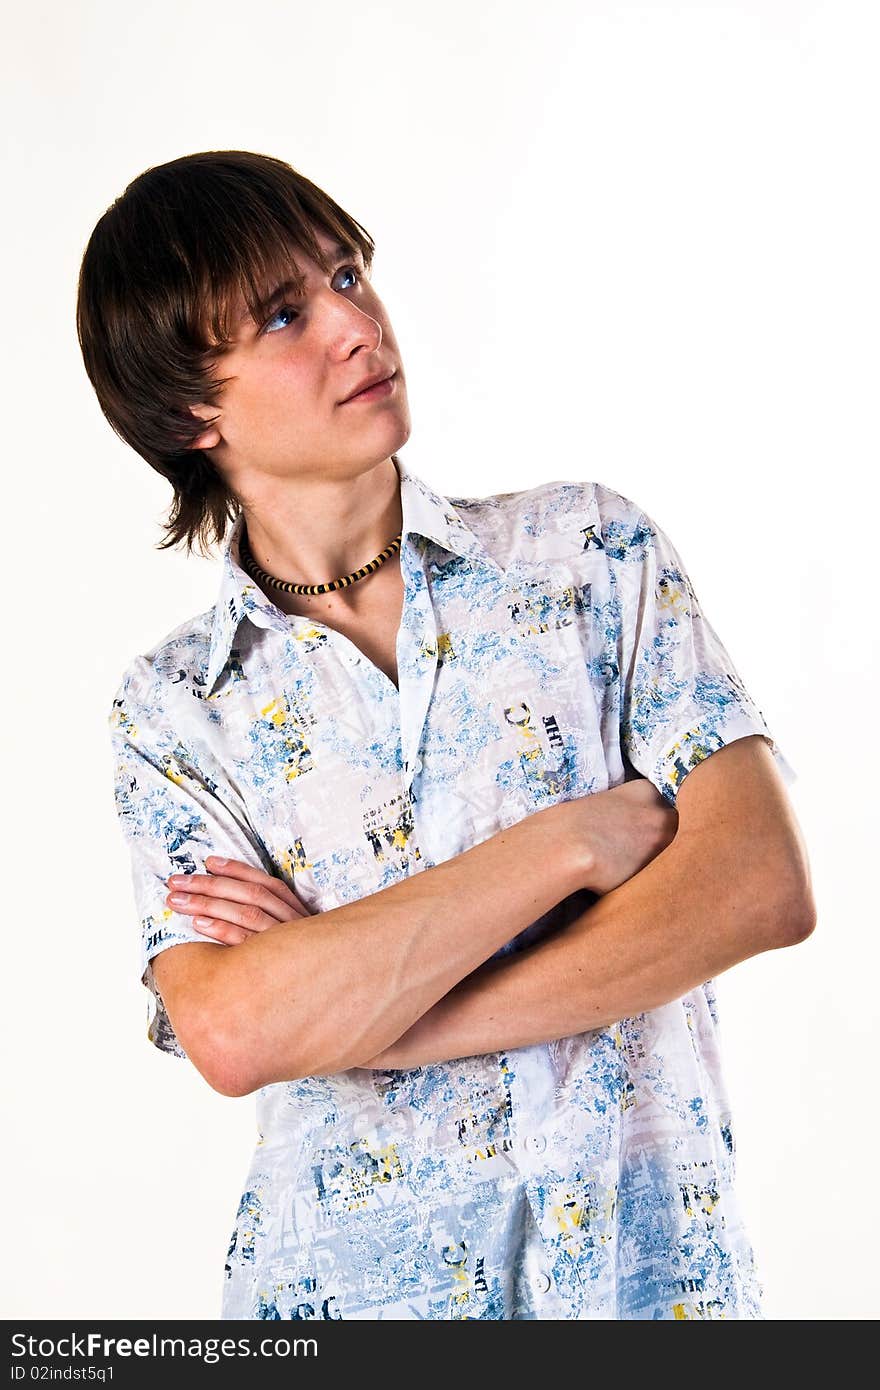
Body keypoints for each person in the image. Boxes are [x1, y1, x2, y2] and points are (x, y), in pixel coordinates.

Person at [79, 149, 815, 1321]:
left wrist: (377, 1018)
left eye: (348, 274)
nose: (356, 325)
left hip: (647, 1289)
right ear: (187, 409)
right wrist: (568, 844)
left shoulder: (589, 556)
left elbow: (760, 886)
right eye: (285, 314)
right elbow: (233, 1027)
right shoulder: (177, 707)